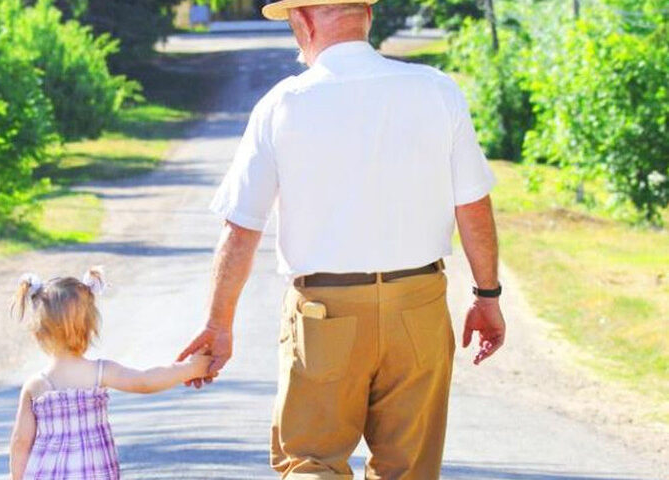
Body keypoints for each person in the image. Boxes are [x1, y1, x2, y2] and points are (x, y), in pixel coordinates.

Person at [178, 0, 507, 478]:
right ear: (366, 18)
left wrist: (219, 322)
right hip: (418, 304)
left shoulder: (283, 104)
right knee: (409, 468)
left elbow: (242, 228)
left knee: (312, 462)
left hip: (324, 315)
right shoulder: (437, 90)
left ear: (303, 21)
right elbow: (473, 204)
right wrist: (487, 296)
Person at [9, 267, 211, 480]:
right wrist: (190, 368)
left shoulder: (35, 386)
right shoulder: (99, 372)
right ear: (90, 327)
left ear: (39, 333)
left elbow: (20, 443)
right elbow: (145, 381)